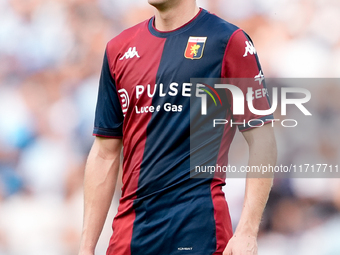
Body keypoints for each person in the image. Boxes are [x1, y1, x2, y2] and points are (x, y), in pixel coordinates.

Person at [78, 0, 277, 255]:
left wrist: (247, 232)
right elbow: (105, 152)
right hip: (130, 237)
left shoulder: (228, 41)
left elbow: (262, 139)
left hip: (199, 233)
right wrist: (86, 246)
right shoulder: (119, 48)